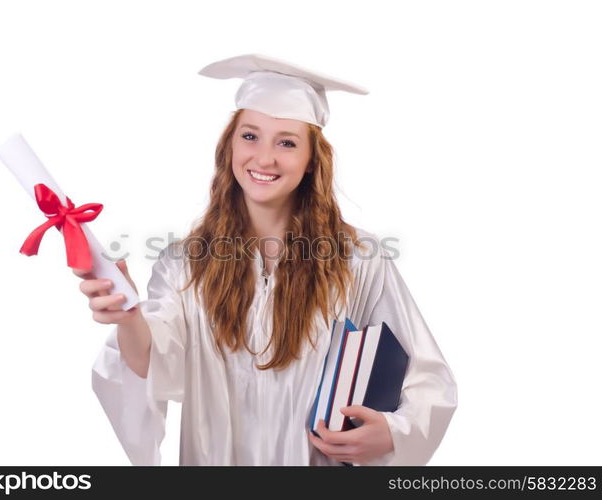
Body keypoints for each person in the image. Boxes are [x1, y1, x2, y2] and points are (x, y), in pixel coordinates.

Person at [73, 54, 458, 466]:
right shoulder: (186, 263)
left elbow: (427, 380)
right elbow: (154, 363)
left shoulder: (357, 259)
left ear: (312, 160)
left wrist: (392, 434)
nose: (264, 158)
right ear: (229, 146)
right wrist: (130, 317)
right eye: (250, 136)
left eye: (287, 142)